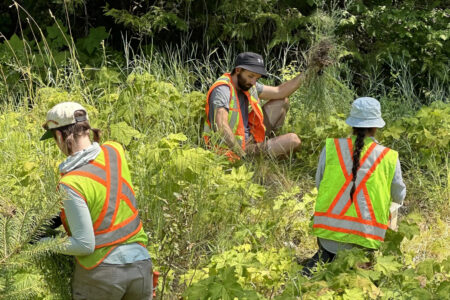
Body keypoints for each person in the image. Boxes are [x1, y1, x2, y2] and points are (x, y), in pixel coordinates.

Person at [39, 102, 153, 299]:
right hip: (141, 267)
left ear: (59, 136)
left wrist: (43, 243)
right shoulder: (115, 151)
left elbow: (84, 245)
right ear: (87, 128)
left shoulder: (71, 183)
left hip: (102, 275)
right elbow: (107, 198)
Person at [302, 97, 406, 275]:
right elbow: (398, 197)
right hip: (366, 241)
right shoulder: (389, 157)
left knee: (323, 265)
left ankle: (323, 260)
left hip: (327, 238)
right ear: (377, 126)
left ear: (352, 124)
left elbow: (320, 185)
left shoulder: (331, 148)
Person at [203, 52, 303, 159]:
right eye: (251, 76)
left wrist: (307, 72)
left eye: (257, 78)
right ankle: (259, 159)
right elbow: (222, 127)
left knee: (282, 102)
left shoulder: (247, 84)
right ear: (238, 70)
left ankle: (267, 152)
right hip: (232, 149)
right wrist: (242, 155)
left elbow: (280, 91)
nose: (253, 82)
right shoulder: (223, 90)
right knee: (293, 140)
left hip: (248, 139)